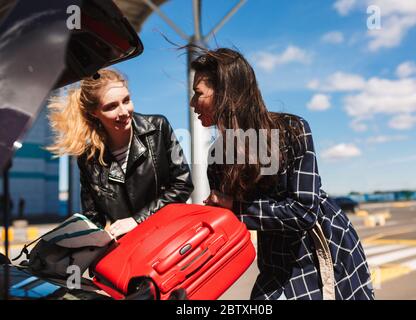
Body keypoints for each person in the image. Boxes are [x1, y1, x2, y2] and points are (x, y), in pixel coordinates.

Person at [190, 48, 374, 300]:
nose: (192, 104)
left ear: (225, 92)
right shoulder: (217, 158)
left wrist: (236, 206)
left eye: (197, 94)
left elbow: (305, 211)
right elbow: (231, 225)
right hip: (275, 259)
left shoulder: (292, 130)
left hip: (323, 250)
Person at [48, 69, 194, 238]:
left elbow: (183, 185)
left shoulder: (159, 127)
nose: (124, 112)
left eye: (126, 100)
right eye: (111, 106)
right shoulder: (88, 159)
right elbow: (93, 217)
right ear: (94, 113)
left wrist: (137, 220)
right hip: (125, 247)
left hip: (166, 239)